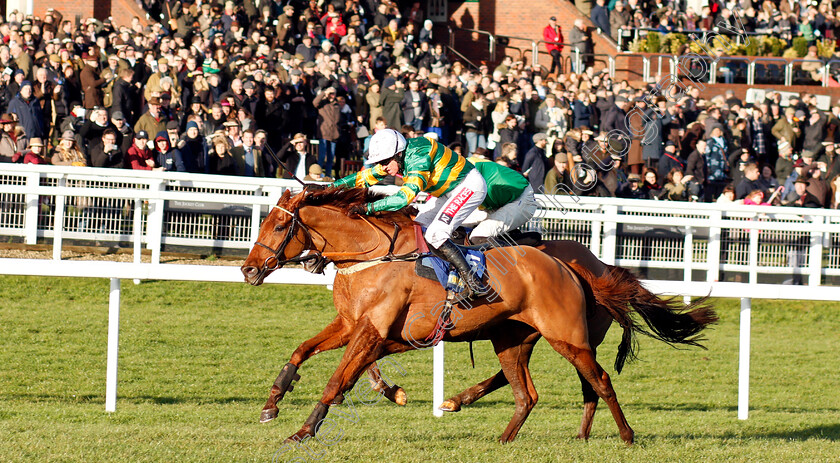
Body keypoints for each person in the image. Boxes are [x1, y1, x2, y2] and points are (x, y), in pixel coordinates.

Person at [332, 129, 490, 297]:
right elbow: (364, 177)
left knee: (436, 233)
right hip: (447, 192)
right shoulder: (398, 157)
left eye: (385, 161)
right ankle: (444, 274)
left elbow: (404, 198)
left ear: (398, 154)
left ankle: (473, 282)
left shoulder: (418, 156)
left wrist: (368, 208)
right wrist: (330, 188)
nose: (383, 167)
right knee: (418, 228)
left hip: (469, 186)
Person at [464, 158, 538, 244]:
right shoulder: (462, 165)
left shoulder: (462, 169)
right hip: (498, 200)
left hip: (520, 198)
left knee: (477, 236)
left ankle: (509, 253)